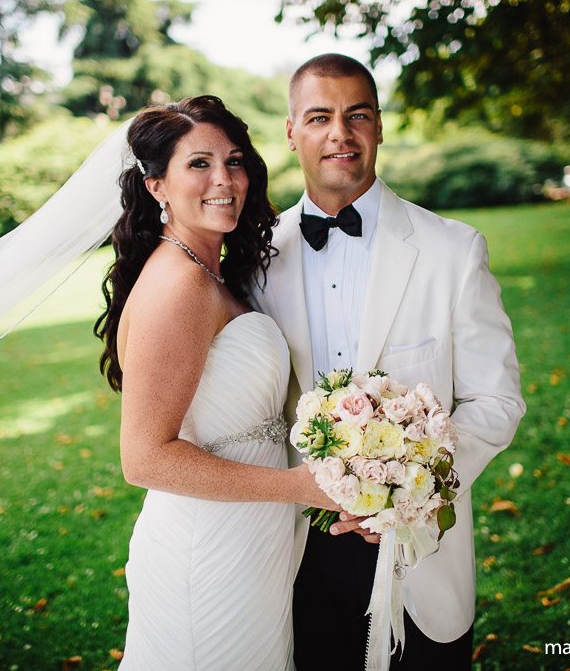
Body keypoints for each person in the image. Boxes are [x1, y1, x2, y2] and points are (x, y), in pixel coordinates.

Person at [252, 55, 526, 670]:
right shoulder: (257, 258)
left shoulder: (453, 250)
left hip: (423, 549)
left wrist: (411, 490)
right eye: (319, 117)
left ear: (379, 127)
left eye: (357, 115)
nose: (339, 134)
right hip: (297, 553)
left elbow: (497, 400)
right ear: (292, 131)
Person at [94, 95, 335, 671]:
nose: (225, 179)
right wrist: (301, 488)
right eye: (198, 163)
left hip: (251, 540)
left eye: (234, 161)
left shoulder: (209, 273)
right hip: (209, 549)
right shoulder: (177, 286)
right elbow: (144, 460)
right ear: (156, 187)